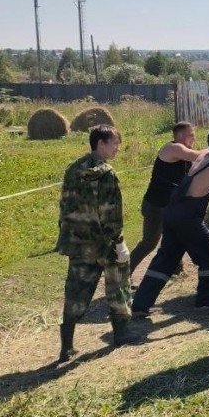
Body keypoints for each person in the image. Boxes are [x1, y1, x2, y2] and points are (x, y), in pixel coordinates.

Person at [132, 128, 209, 315]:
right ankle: (206, 300)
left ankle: (140, 304)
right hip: (188, 218)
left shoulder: (201, 159)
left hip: (172, 211)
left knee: (165, 258)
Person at [56, 124, 138, 363]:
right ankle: (121, 334)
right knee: (118, 286)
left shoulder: (72, 169)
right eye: (114, 144)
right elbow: (110, 213)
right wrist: (118, 241)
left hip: (78, 242)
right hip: (104, 243)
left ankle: (67, 346)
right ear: (100, 143)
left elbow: (65, 206)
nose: (117, 149)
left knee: (76, 291)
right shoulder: (106, 174)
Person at [129, 121, 205, 282]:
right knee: (149, 243)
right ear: (180, 136)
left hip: (168, 206)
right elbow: (197, 156)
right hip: (156, 205)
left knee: (175, 236)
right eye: (191, 134)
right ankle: (122, 277)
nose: (194, 137)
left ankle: (176, 270)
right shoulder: (173, 148)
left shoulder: (184, 154)